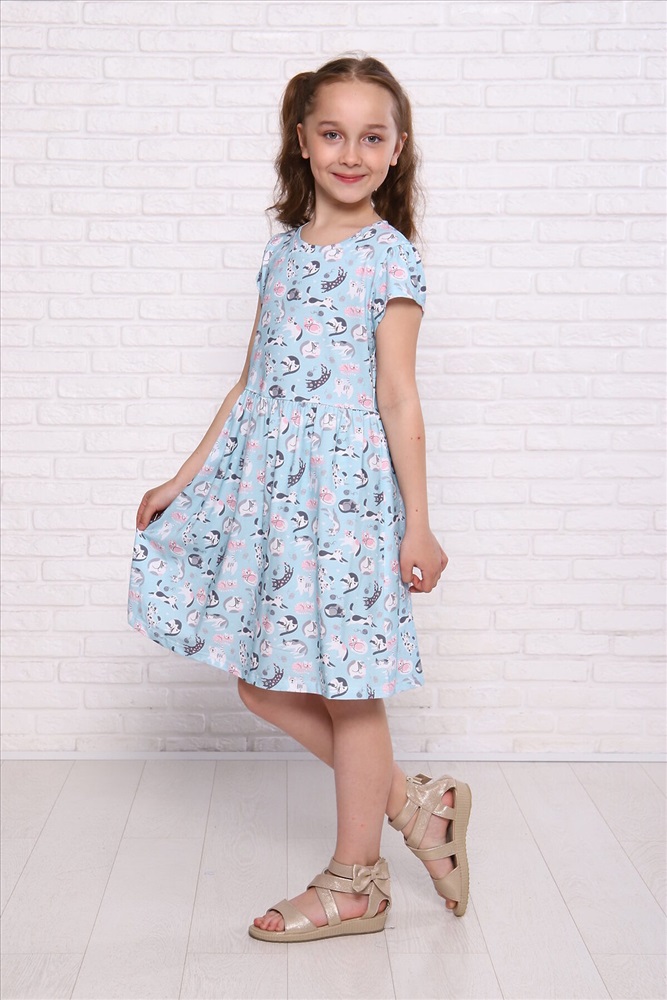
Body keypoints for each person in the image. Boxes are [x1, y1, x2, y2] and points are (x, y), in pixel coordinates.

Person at [128, 55, 472, 943]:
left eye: (371, 137)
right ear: (303, 142)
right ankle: (415, 804)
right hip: (275, 501)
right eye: (333, 134)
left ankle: (357, 882)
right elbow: (251, 382)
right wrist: (183, 477)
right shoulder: (281, 254)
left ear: (396, 150)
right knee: (260, 682)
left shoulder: (389, 258)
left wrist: (419, 525)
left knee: (349, 689)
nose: (351, 153)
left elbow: (398, 397)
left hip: (348, 504)